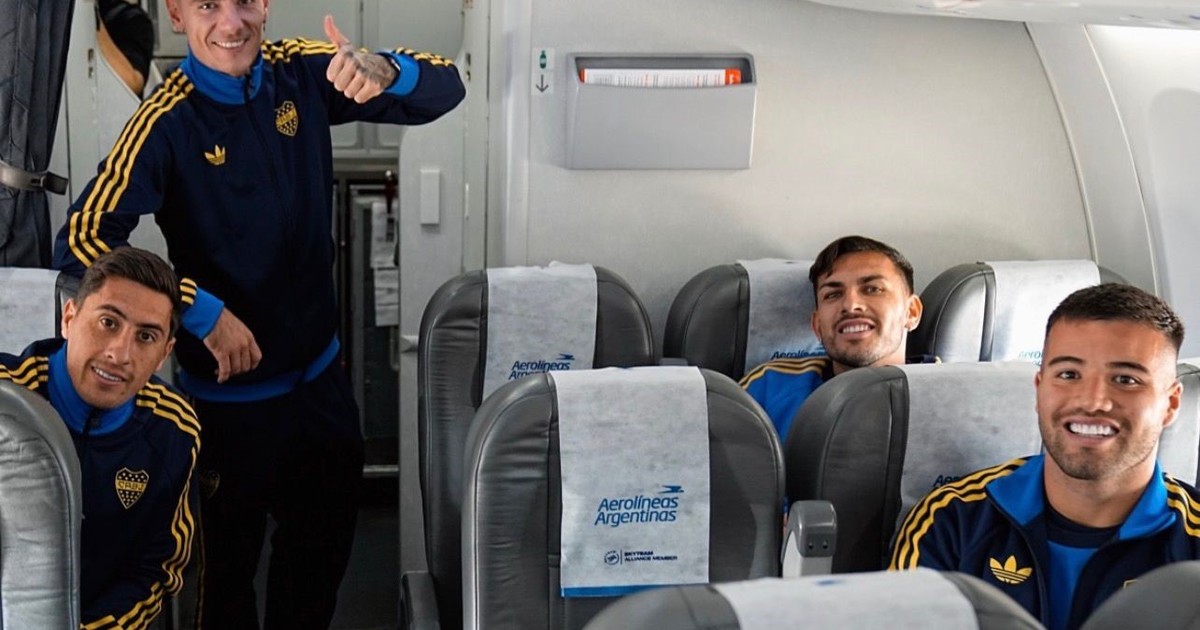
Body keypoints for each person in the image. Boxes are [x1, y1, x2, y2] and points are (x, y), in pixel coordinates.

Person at [50, 1, 466, 626]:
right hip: (226, 414)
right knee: (224, 590)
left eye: (244, 0)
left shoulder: (300, 72)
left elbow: (448, 85)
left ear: (265, 5)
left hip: (321, 394)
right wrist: (193, 307)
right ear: (176, 14)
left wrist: (382, 70)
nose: (231, 22)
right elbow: (82, 238)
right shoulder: (165, 121)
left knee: (317, 574)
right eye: (207, 5)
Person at [890, 283, 1200, 630]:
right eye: (1068, 375)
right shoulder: (951, 520)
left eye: (1126, 379)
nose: (1092, 401)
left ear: (1171, 404)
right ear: (1040, 390)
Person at [0, 247, 198, 628]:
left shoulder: (173, 429)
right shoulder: (6, 403)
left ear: (164, 354)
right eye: (108, 322)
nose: (120, 354)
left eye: (146, 336)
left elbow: (156, 569)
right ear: (69, 318)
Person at [739, 235, 926, 439]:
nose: (851, 305)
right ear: (817, 325)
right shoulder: (768, 388)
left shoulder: (945, 393)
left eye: (872, 289)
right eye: (833, 295)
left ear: (912, 312)